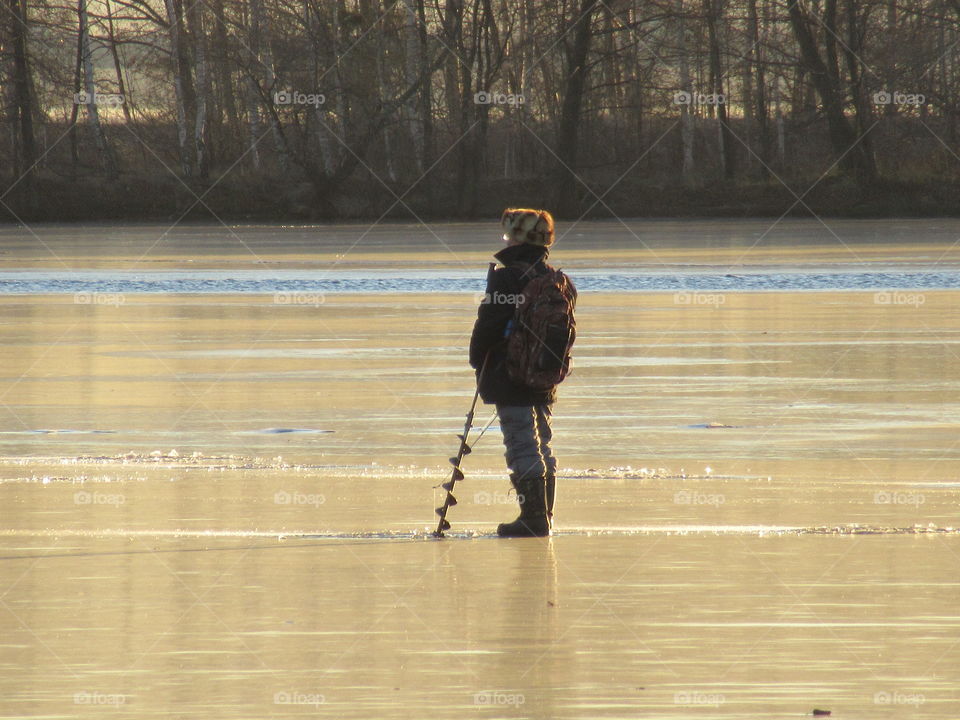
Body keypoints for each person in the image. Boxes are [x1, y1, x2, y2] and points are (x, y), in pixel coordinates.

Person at [469, 208, 574, 537]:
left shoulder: (507, 277)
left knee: (520, 442)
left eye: (509, 234)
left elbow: (488, 327)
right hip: (545, 372)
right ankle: (545, 514)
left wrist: (478, 359)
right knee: (542, 442)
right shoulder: (557, 279)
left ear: (517, 237)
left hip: (510, 372)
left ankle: (534, 518)